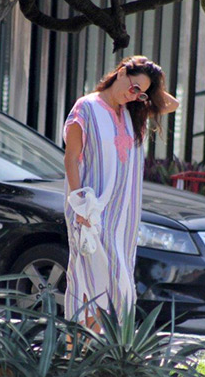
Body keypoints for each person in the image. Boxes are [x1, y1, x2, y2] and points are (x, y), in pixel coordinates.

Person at [62, 55, 179, 332]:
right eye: (133, 86)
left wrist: (148, 87)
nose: (133, 94)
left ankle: (98, 354)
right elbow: (71, 158)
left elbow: (173, 104)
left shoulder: (130, 111)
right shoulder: (86, 108)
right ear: (121, 73)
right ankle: (78, 353)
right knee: (90, 283)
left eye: (141, 93)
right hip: (91, 213)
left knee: (119, 283)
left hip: (122, 219)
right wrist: (80, 208)